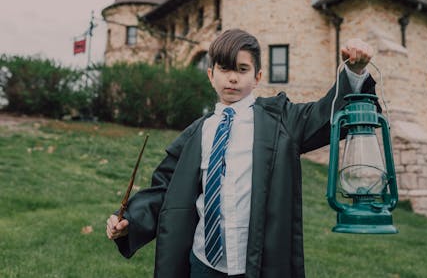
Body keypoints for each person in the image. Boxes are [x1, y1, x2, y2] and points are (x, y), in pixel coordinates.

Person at [106, 29, 376, 278]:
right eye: (224, 69)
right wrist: (132, 221)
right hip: (202, 262)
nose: (233, 77)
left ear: (257, 77)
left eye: (242, 69)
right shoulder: (196, 133)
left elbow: (323, 115)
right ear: (211, 75)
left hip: (258, 264)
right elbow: (165, 189)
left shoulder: (280, 121)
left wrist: (354, 72)